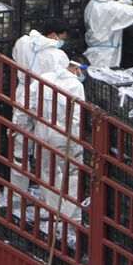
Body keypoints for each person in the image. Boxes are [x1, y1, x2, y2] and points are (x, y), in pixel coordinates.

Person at [31, 61, 87, 219]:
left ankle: (53, 211)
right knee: (73, 172)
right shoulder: (75, 86)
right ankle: (70, 216)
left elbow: (30, 102)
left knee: (48, 172)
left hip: (42, 130)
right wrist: (76, 141)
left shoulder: (45, 77)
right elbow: (75, 117)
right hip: (63, 134)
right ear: (78, 69)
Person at [12, 18, 70, 109]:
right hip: (41, 96)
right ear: (53, 35)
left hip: (21, 91)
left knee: (18, 120)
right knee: (39, 121)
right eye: (62, 38)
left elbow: (15, 56)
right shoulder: (58, 55)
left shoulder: (22, 41)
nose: (62, 41)